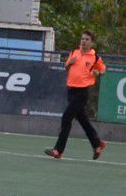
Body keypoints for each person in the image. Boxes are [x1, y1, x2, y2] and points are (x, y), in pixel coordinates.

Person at [44, 30, 107, 160]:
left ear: (91, 43)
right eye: (82, 39)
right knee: (83, 120)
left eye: (87, 39)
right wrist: (70, 64)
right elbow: (67, 68)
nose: (83, 41)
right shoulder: (74, 52)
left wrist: (98, 73)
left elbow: (103, 70)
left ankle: (58, 150)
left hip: (82, 92)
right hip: (71, 90)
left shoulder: (95, 57)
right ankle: (97, 144)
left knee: (66, 118)